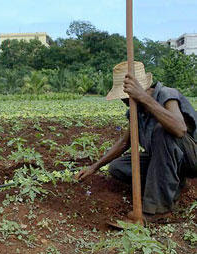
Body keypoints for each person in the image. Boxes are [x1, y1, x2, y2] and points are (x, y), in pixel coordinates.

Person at [76, 61, 197, 222]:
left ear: (141, 88)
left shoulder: (167, 95)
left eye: (126, 96)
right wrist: (94, 166)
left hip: (190, 158)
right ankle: (172, 185)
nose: (124, 101)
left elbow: (179, 129)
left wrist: (144, 98)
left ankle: (157, 211)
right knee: (118, 167)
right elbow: (124, 143)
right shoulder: (135, 110)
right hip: (164, 161)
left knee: (162, 131)